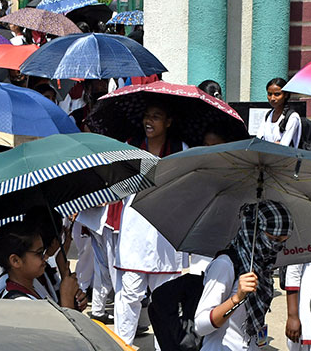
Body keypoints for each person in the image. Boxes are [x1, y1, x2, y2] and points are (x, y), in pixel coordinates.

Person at [113, 100, 188, 346]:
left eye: (156, 116)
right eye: (147, 115)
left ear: (168, 122)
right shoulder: (130, 148)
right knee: (129, 296)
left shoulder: (180, 150)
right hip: (135, 232)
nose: (149, 121)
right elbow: (117, 187)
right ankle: (122, 345)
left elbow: (187, 191)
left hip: (166, 236)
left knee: (165, 300)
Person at [195, 200, 292, 350]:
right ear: (255, 230)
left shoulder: (262, 267)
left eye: (283, 241)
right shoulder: (225, 264)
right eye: (274, 239)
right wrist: (237, 299)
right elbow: (201, 326)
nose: (278, 247)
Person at [0, 219, 81, 306]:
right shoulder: (20, 303)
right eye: (39, 253)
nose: (44, 258)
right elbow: (61, 333)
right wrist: (67, 298)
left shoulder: (33, 285)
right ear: (15, 261)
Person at [256, 78, 301, 148]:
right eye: (269, 94)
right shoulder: (267, 115)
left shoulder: (292, 117)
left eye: (277, 94)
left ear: (286, 95)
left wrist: (266, 145)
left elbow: (283, 146)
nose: (272, 98)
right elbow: (258, 140)